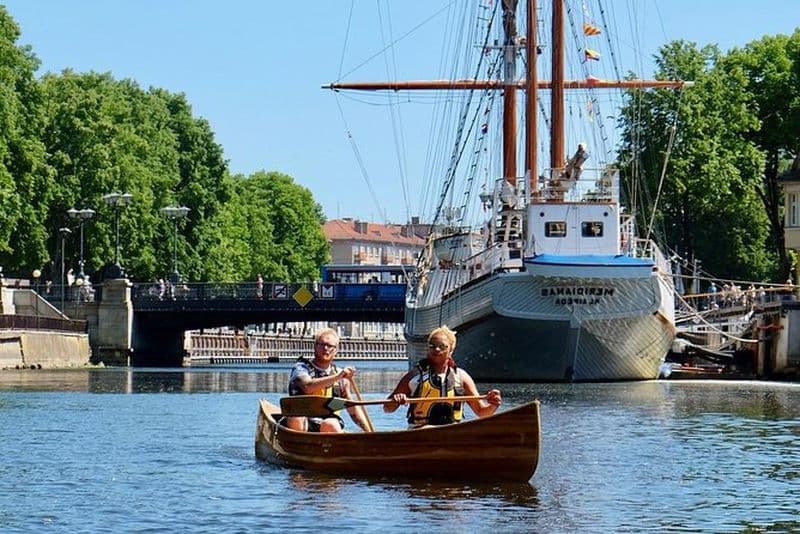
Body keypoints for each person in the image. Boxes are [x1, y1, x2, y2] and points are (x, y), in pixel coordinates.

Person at [383, 325, 502, 427]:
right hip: (419, 433)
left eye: (442, 346)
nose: (436, 349)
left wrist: (493, 404)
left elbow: (482, 412)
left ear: (451, 350)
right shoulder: (414, 376)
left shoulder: (462, 377)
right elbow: (387, 408)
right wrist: (396, 400)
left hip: (452, 434)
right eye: (432, 345)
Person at [285, 328, 370, 433]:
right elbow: (307, 386)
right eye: (322, 345)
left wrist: (369, 431)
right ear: (315, 347)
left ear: (336, 350)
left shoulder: (341, 378)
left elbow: (353, 410)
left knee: (331, 424)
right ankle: (297, 446)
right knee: (296, 416)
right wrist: (337, 377)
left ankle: (334, 447)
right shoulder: (301, 368)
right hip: (303, 421)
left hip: (328, 422)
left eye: (330, 346)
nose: (326, 348)